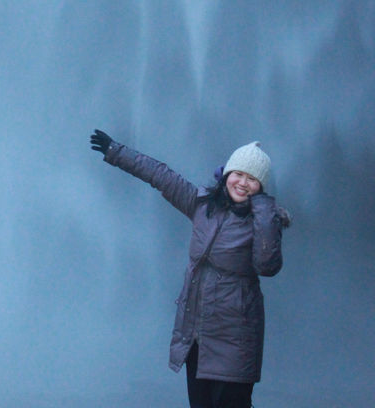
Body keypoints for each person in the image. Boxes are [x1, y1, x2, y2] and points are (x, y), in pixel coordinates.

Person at [90, 129, 290, 408]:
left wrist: (266, 211)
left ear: (261, 187)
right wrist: (116, 152)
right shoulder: (201, 205)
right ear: (227, 174)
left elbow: (267, 266)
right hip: (196, 332)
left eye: (253, 179)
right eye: (239, 174)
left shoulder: (262, 222)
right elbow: (161, 176)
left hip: (237, 336)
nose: (243, 183)